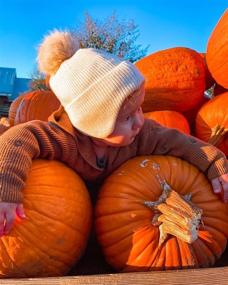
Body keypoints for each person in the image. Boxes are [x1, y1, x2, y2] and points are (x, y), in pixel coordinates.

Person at [0, 30, 227, 237]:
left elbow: (180, 143)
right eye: (127, 117)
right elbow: (16, 140)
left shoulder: (142, 134)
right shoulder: (63, 139)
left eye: (140, 108)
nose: (140, 121)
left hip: (122, 219)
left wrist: (215, 163)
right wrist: (6, 191)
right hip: (66, 221)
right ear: (92, 123)